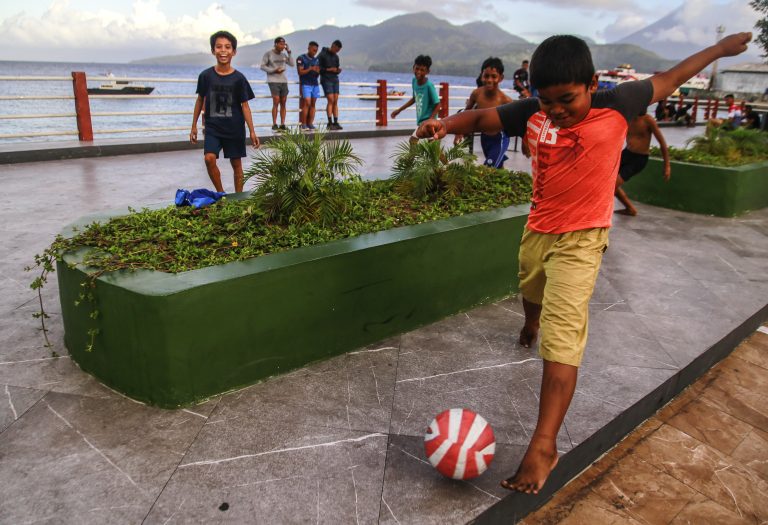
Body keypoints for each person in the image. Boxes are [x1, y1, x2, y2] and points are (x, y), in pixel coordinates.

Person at [416, 31, 752, 495]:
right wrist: (444, 125)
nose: (554, 110)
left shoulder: (619, 102)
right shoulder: (534, 112)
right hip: (539, 230)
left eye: (566, 100)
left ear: (592, 83)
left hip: (584, 239)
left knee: (563, 333)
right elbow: (481, 117)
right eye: (545, 100)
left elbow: (672, 77)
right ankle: (529, 324)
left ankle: (544, 445)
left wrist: (718, 50)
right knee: (531, 288)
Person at [191, 30, 259, 193]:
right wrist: (193, 126)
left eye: (227, 47)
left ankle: (238, 198)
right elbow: (200, 100)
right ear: (213, 50)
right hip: (213, 127)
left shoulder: (239, 78)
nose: (223, 50)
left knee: (236, 165)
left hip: (234, 128)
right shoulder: (205, 76)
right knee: (209, 158)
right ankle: (221, 194)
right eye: (219, 47)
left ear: (233, 52)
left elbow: (245, 106)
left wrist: (252, 130)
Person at [454, 57, 513, 168]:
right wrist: (459, 132)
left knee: (489, 167)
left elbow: (518, 122)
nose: (489, 80)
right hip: (485, 138)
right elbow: (466, 114)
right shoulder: (476, 94)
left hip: (500, 138)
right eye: (486, 76)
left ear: (501, 78)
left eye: (494, 76)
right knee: (497, 168)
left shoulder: (505, 100)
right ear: (481, 76)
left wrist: (525, 143)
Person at [615, 111, 671, 216]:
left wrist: (667, 165)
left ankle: (628, 208)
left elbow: (662, 142)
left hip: (639, 159)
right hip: (626, 154)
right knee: (607, 182)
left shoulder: (648, 120)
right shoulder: (629, 117)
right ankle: (630, 208)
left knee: (612, 185)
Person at [390, 55, 440, 143]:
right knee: (431, 148)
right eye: (417, 68)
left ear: (427, 71)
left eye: (422, 70)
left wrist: (431, 120)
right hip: (421, 121)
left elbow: (438, 104)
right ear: (413, 68)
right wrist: (399, 110)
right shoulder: (414, 82)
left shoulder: (429, 86)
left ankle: (411, 157)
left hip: (429, 123)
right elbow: (414, 98)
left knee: (415, 141)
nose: (418, 72)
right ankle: (413, 157)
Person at [260, 36, 294, 132]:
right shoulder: (268, 54)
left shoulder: (283, 55)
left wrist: (289, 52)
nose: (283, 46)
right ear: (276, 44)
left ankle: (282, 124)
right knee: (276, 101)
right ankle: (274, 124)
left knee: (283, 102)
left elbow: (292, 64)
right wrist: (274, 70)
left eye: (284, 44)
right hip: (273, 80)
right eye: (281, 44)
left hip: (283, 81)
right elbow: (262, 66)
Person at [318, 40, 343, 130]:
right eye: (336, 50)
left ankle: (336, 122)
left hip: (335, 79)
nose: (336, 52)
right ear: (333, 45)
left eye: (338, 51)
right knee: (330, 100)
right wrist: (329, 70)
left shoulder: (336, 57)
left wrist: (337, 70)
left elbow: (335, 68)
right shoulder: (322, 54)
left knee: (335, 100)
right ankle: (329, 122)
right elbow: (318, 68)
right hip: (326, 79)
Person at [297, 41, 321, 130]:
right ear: (309, 48)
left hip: (315, 83)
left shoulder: (316, 60)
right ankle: (303, 124)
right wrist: (311, 68)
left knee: (313, 104)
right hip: (306, 84)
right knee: (307, 103)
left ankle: (310, 123)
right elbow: (300, 72)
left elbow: (318, 73)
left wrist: (317, 71)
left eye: (316, 51)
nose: (315, 52)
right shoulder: (301, 58)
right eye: (313, 50)